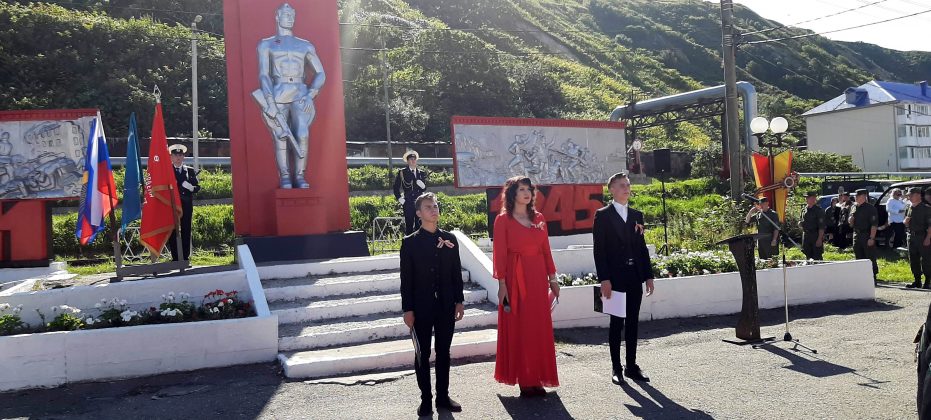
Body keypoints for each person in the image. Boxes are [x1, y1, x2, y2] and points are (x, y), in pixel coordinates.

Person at [493, 176, 560, 397]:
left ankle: (537, 377)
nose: (526, 193)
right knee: (520, 328)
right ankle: (525, 379)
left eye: (529, 189)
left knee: (537, 327)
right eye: (521, 189)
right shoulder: (503, 220)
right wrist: (502, 284)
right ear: (512, 193)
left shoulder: (539, 218)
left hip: (537, 278)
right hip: (515, 279)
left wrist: (552, 279)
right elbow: (500, 255)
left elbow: (546, 250)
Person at [399, 192, 465, 416]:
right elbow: (406, 279)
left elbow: (456, 273)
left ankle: (443, 397)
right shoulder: (409, 243)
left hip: (446, 305)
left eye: (435, 205)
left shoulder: (450, 238)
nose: (434, 209)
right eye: (428, 207)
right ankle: (425, 399)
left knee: (444, 352)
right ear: (418, 213)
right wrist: (407, 309)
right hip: (421, 307)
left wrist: (459, 301)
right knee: (422, 353)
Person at [253, 2, 325, 189]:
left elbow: (321, 73)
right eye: (286, 15)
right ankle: (285, 176)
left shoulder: (305, 45)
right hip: (277, 93)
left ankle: (300, 176)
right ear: (277, 16)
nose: (290, 18)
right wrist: (269, 99)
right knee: (280, 135)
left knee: (302, 134)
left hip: (301, 93)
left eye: (292, 15)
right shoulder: (266, 44)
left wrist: (311, 93)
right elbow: (263, 74)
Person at [593, 172, 654, 386]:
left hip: (634, 275)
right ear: (611, 189)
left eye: (627, 185)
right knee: (616, 322)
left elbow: (641, 248)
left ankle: (631, 366)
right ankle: (616, 368)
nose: (626, 188)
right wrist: (604, 279)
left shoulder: (637, 215)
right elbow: (599, 250)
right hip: (614, 278)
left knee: (633, 322)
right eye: (621, 185)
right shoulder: (602, 215)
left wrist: (648, 275)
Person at [167, 144, 200, 261]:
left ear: (183, 157)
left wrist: (191, 187)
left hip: (186, 205)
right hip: (172, 204)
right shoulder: (167, 171)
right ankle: (175, 257)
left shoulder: (189, 171)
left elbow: (197, 187)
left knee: (186, 229)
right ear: (171, 157)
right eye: (175, 155)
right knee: (172, 230)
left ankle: (185, 256)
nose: (178, 157)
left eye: (180, 155)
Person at [393, 150, 428, 234]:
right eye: (411, 159)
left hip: (419, 202)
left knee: (419, 224)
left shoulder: (421, 173)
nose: (413, 161)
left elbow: (424, 189)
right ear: (408, 161)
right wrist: (399, 198)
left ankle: (418, 241)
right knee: (409, 225)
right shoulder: (402, 172)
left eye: (414, 159)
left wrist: (423, 186)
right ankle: (409, 242)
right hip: (408, 201)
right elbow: (396, 187)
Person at [849, 189, 879, 282]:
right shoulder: (854, 207)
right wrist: (850, 220)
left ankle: (873, 276)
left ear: (863, 196)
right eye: (855, 196)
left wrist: (872, 238)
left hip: (866, 234)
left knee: (869, 256)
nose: (855, 197)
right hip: (856, 234)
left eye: (857, 196)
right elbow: (851, 223)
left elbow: (874, 224)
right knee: (858, 256)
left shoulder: (870, 208)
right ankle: (861, 276)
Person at [906, 187, 931, 289]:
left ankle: (928, 281)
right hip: (911, 236)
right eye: (908, 195)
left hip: (922, 236)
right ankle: (917, 281)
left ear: (918, 195)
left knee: (926, 260)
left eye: (911, 195)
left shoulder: (926, 209)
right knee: (913, 259)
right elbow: (907, 221)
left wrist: (928, 238)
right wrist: (905, 222)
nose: (909, 197)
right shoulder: (910, 207)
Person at [799, 191, 826, 261]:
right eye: (806, 197)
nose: (806, 199)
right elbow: (801, 220)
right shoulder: (804, 209)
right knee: (807, 254)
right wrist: (800, 223)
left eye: (808, 197)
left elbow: (821, 226)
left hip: (815, 235)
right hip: (806, 235)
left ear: (813, 198)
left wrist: (819, 239)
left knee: (817, 255)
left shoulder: (819, 211)